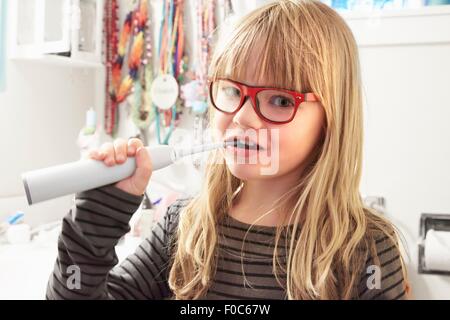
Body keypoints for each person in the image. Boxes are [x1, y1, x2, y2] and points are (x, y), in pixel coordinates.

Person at [47, 0, 410, 300]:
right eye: (233, 91)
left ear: (331, 118)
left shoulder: (366, 250)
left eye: (281, 99)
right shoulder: (183, 227)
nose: (243, 117)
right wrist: (94, 224)